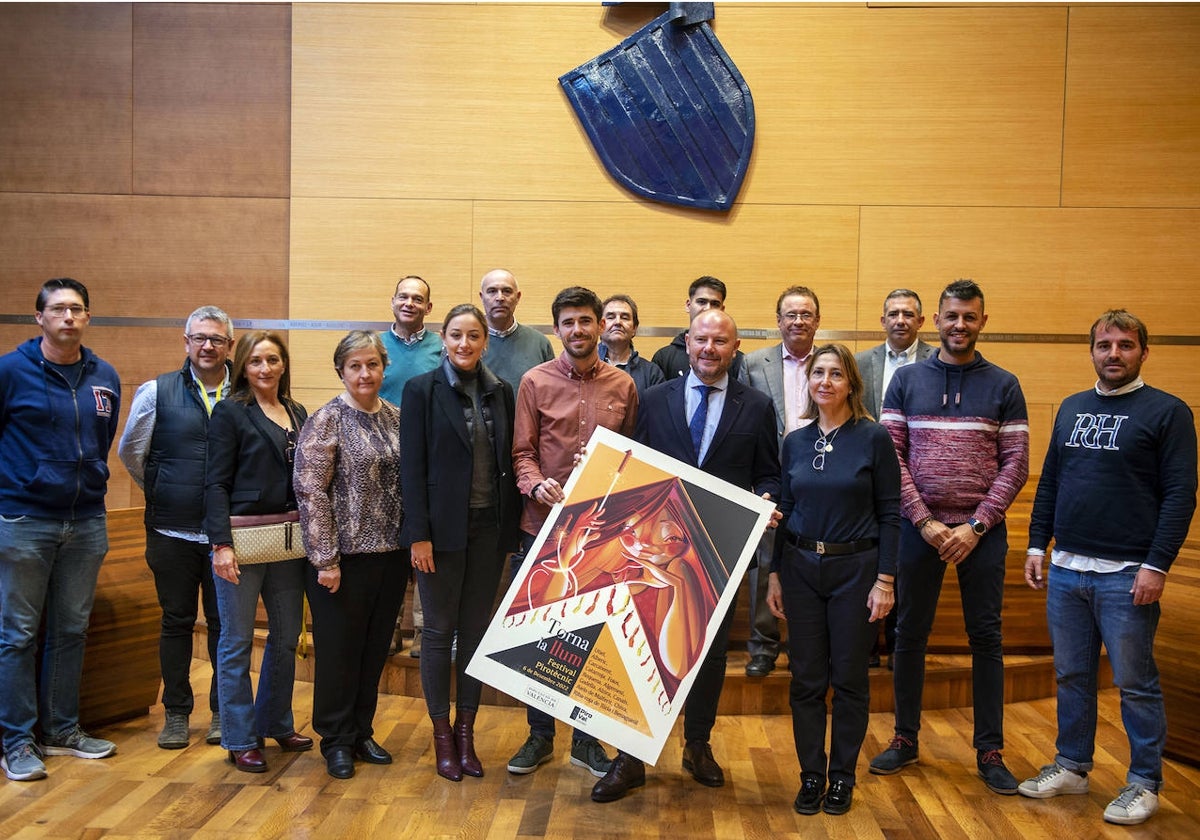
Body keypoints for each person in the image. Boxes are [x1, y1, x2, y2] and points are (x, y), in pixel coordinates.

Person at [592, 308, 780, 802]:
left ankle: (698, 745)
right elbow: (632, 465)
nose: (709, 349)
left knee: (711, 652)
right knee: (644, 647)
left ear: (734, 349)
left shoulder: (757, 406)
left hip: (722, 547)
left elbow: (771, 474)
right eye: (702, 339)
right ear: (688, 341)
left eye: (720, 341)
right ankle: (630, 758)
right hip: (655, 549)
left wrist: (765, 496)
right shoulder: (654, 399)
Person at [1018, 310, 1197, 826]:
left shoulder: (1168, 412)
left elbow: (1181, 495)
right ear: (1091, 351)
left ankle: (1144, 782)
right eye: (1104, 345)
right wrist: (1036, 547)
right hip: (1069, 569)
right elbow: (1050, 480)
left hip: (1128, 574)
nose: (1113, 354)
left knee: (1136, 683)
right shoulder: (1073, 408)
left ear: (1144, 351)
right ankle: (1072, 765)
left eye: (1124, 345)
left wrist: (1156, 564)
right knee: (1072, 675)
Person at [868, 279, 1029, 795]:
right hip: (920, 530)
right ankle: (905, 738)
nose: (960, 325)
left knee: (987, 638)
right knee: (908, 635)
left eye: (970, 316)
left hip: (983, 533)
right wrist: (927, 523)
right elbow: (891, 459)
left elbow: (1016, 464)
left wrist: (977, 525)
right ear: (935, 320)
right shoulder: (907, 381)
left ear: (983, 321)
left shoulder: (1004, 384)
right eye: (951, 316)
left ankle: (989, 748)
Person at [508, 286, 638, 779]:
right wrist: (535, 482)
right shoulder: (533, 382)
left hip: (601, 535)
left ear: (600, 326)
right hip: (541, 528)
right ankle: (540, 736)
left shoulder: (623, 386)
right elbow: (521, 452)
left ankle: (586, 741)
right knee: (538, 637)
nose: (578, 330)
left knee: (591, 637)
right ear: (556, 328)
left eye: (587, 321)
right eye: (569, 323)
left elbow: (634, 458)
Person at [765, 344, 900, 816]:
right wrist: (776, 573)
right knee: (804, 680)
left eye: (835, 373)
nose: (825, 381)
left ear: (851, 384)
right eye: (817, 373)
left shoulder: (874, 438)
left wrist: (885, 580)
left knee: (848, 681)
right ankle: (810, 774)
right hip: (800, 569)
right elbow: (788, 510)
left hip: (856, 572)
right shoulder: (795, 441)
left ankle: (841, 777)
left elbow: (890, 513)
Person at [0, 278, 120, 782]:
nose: (68, 317)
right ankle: (16, 741)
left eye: (77, 309)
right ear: (40, 318)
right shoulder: (11, 371)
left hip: (87, 520)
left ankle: (62, 730)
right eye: (58, 309)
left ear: (88, 318)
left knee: (71, 630)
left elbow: (103, 438)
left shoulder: (104, 376)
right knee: (18, 635)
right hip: (24, 520)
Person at [400, 304, 522, 782]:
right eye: (456, 335)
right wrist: (420, 536)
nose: (465, 344)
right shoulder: (420, 391)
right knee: (437, 632)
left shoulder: (501, 392)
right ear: (443, 340)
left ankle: (467, 733)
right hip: (440, 537)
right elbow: (411, 470)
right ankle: (441, 736)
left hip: (489, 532)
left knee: (475, 634)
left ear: (485, 342)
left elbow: (508, 465)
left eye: (474, 336)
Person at [118, 305, 233, 750]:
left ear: (229, 346)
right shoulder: (155, 392)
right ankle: (177, 713)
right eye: (200, 338)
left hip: (227, 538)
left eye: (217, 339)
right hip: (171, 532)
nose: (208, 346)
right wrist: (166, 489)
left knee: (227, 627)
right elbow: (133, 452)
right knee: (176, 622)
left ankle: (224, 712)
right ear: (186, 342)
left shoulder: (241, 393)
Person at [294, 330, 407, 780]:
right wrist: (325, 559)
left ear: (384, 368)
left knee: (373, 650)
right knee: (340, 652)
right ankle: (336, 740)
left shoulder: (397, 418)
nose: (365, 373)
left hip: (391, 556)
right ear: (341, 370)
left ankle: (362, 730)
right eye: (355, 366)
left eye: (372, 365)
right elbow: (310, 492)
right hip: (341, 561)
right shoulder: (327, 420)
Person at [205, 330, 313, 773]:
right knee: (235, 642)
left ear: (284, 364)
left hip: (289, 543)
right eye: (255, 361)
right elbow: (215, 483)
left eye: (273, 360)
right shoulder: (230, 412)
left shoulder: (297, 410)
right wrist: (221, 544)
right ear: (243, 367)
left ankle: (276, 722)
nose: (265, 368)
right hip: (242, 543)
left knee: (286, 639)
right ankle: (239, 736)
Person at [742, 285, 821, 678]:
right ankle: (763, 646)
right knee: (764, 563)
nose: (798, 321)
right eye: (790, 314)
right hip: (771, 474)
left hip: (821, 479)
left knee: (811, 562)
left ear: (817, 321)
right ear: (778, 321)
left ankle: (805, 646)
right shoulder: (755, 363)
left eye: (806, 314)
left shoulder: (831, 362)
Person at [856, 289, 935, 668]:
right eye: (893, 313)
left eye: (908, 314)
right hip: (865, 479)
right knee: (871, 559)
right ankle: (868, 645)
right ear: (882, 319)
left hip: (915, 481)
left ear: (921, 321)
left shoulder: (938, 361)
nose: (900, 320)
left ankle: (900, 649)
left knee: (906, 566)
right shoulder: (861, 362)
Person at [376, 275, 441, 659]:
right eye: (404, 296)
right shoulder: (376, 346)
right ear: (393, 301)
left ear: (428, 308)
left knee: (423, 541)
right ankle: (389, 627)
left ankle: (421, 629)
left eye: (418, 299)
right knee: (389, 546)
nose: (410, 303)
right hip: (382, 457)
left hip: (428, 457)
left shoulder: (440, 346)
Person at [650, 276, 745, 381]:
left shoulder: (738, 360)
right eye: (701, 302)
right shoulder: (664, 357)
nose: (708, 308)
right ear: (688, 305)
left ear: (722, 309)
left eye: (715, 304)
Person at [479, 268, 554, 389]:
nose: (500, 298)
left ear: (518, 297)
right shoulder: (467, 344)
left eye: (506, 291)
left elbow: (551, 393)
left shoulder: (540, 343)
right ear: (482, 297)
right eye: (492, 291)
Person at [598, 294, 665, 395]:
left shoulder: (651, 372)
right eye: (611, 317)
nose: (617, 322)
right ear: (600, 326)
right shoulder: (583, 367)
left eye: (624, 318)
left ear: (634, 328)